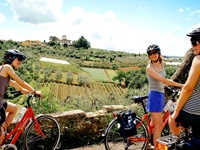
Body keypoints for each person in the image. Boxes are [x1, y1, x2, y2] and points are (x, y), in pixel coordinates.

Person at [0, 49, 42, 144]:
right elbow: (21, 82)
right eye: (18, 59)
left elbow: (13, 83)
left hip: (1, 101)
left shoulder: (2, 69)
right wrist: (34, 91)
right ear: (10, 58)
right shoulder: (7, 67)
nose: (20, 62)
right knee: (0, 133)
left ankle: (3, 131)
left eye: (21, 60)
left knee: (14, 108)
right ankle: (1, 134)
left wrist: (23, 90)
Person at [146, 44, 183, 149]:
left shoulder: (162, 64)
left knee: (154, 124)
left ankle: (147, 143)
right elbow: (163, 80)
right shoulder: (149, 67)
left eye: (154, 53)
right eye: (150, 54)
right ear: (149, 56)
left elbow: (165, 81)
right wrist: (182, 85)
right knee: (159, 127)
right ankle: (157, 148)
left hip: (161, 95)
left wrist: (170, 84)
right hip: (155, 96)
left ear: (158, 53)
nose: (152, 55)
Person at [169, 28, 200, 145]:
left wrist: (176, 112)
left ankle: (175, 142)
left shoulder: (198, 59)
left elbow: (188, 88)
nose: (192, 46)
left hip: (194, 111)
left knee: (172, 114)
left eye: (194, 42)